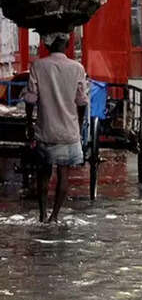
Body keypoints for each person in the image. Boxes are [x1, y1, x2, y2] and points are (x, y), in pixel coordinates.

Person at [23, 33, 88, 223]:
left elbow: (30, 99)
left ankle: (42, 214)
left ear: (48, 46)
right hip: (68, 130)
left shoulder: (38, 66)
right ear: (67, 46)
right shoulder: (77, 68)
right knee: (63, 173)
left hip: (46, 129)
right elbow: (82, 102)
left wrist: (29, 123)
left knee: (43, 173)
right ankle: (54, 216)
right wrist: (80, 124)